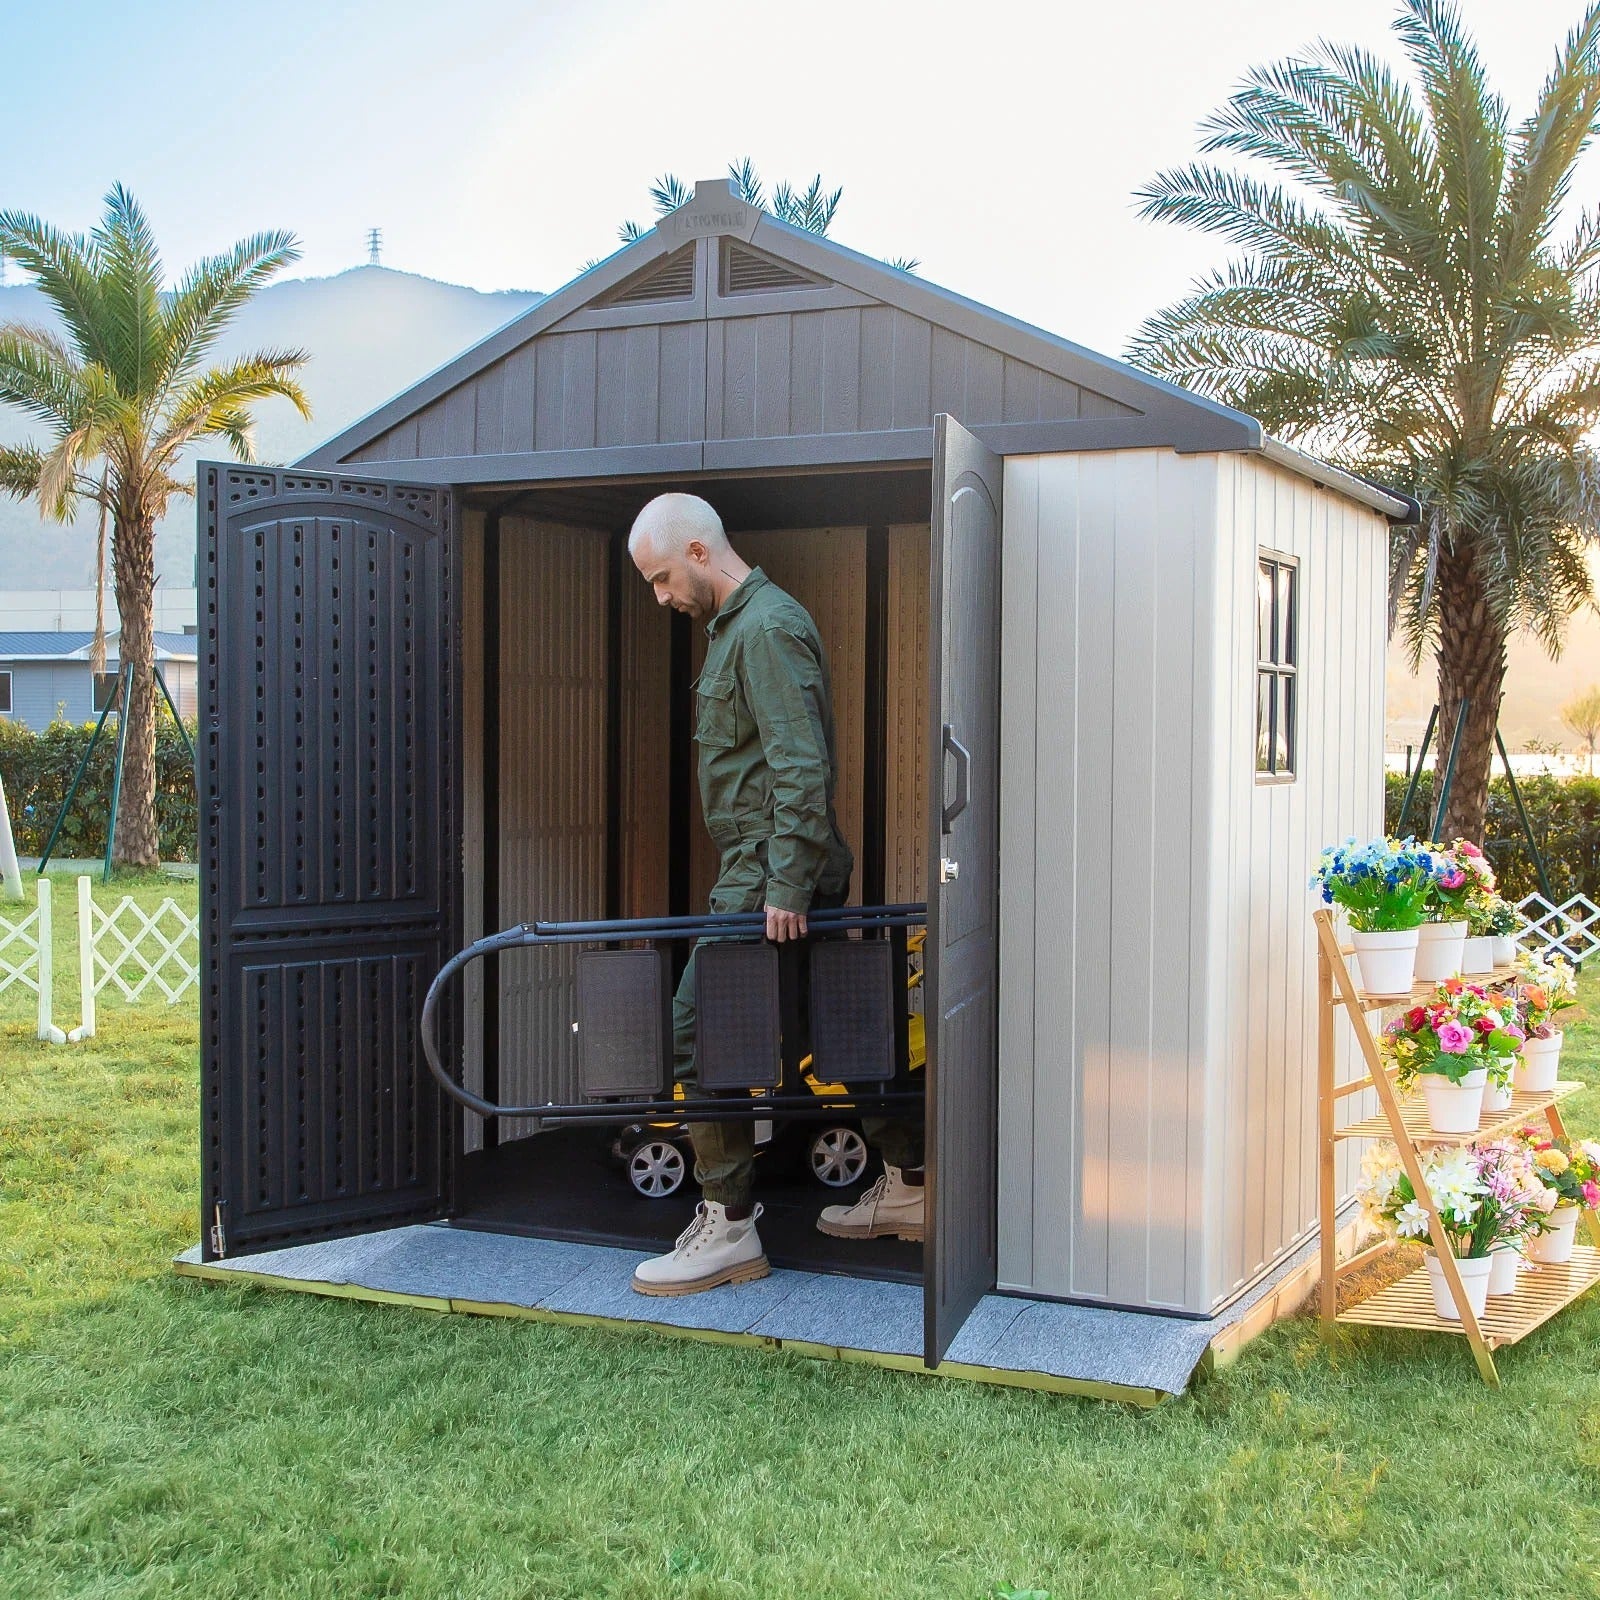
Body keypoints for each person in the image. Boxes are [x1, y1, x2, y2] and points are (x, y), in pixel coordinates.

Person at [627, 492, 924, 1296]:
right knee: (843, 1017)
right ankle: (911, 1183)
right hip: (771, 867)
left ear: (697, 551)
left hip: (769, 873)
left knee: (698, 1033)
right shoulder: (741, 629)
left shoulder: (763, 629)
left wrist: (787, 881)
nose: (660, 598)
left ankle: (726, 1227)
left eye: (659, 578)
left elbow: (801, 765)